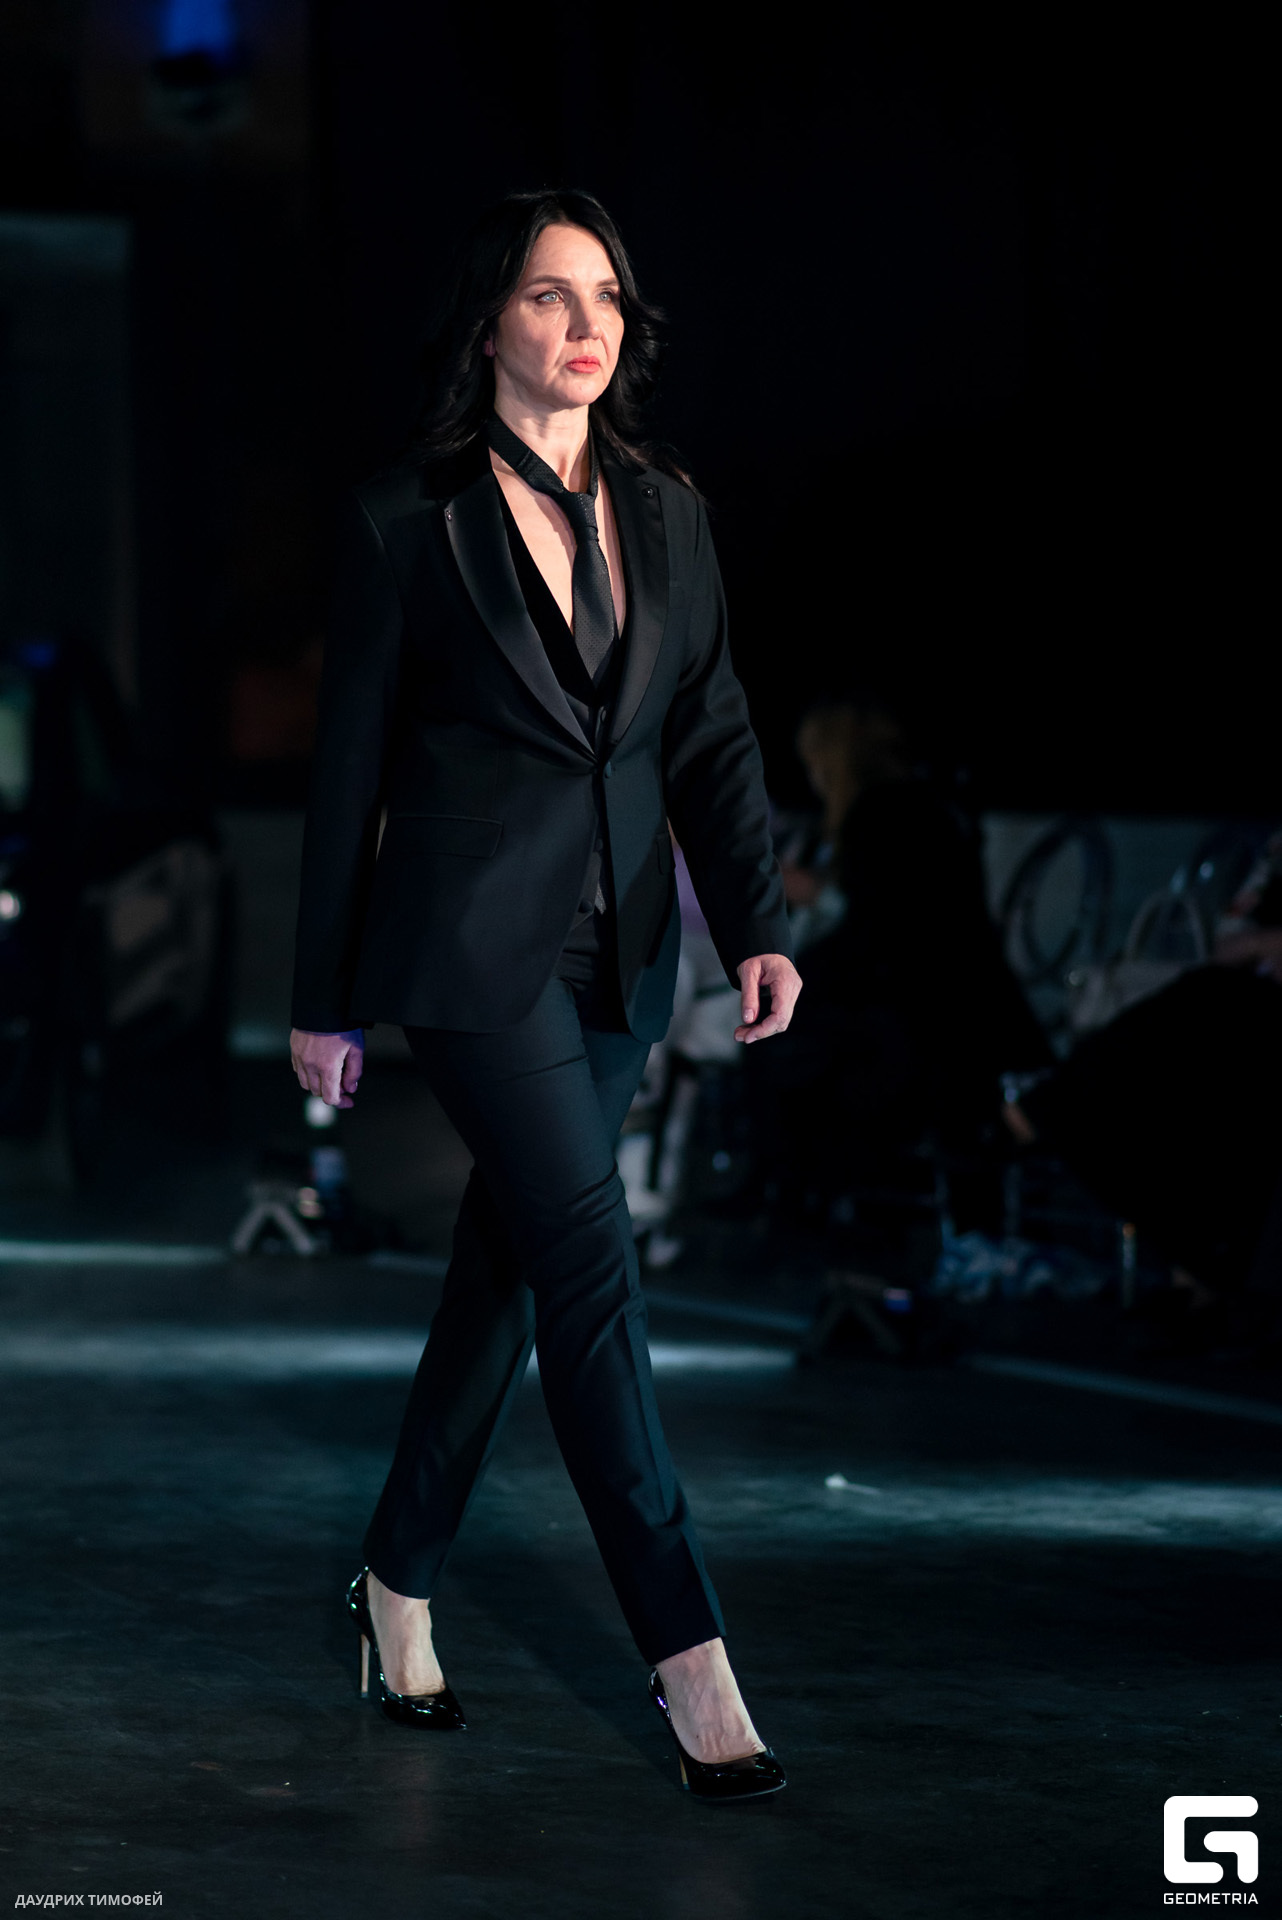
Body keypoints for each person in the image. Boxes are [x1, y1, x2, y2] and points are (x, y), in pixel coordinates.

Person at [288, 190, 801, 1801]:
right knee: (588, 1270)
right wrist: (321, 995)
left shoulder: (669, 514)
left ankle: (393, 1581)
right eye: (548, 295)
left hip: (624, 954)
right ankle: (689, 1656)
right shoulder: (404, 519)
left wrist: (757, 921)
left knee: (504, 1280)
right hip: (470, 954)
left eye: (606, 299)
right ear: (489, 322)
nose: (587, 325)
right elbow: (346, 773)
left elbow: (708, 729)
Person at [742, 692, 1048, 1228]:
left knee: (779, 1032)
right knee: (793, 1030)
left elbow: (883, 931)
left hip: (931, 1015)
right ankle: (810, 1191)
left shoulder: (879, 815)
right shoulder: (925, 806)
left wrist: (796, 971)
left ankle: (800, 1194)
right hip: (965, 1004)